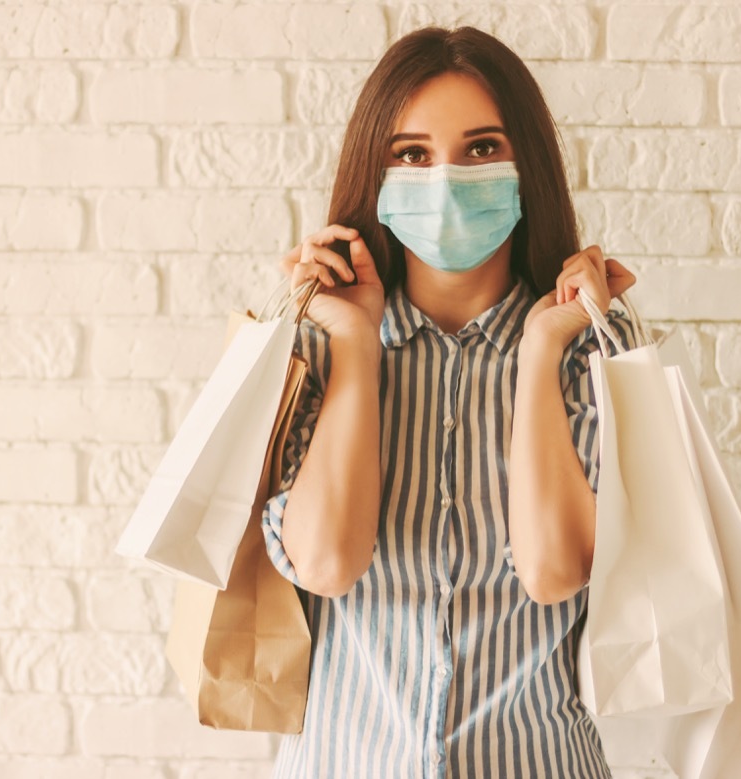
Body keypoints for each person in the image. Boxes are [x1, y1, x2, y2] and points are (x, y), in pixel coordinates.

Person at [262, 25, 639, 778]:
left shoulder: (592, 341)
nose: (444, 180)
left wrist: (539, 351)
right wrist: (357, 344)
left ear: (525, 164)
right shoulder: (313, 344)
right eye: (410, 154)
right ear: (377, 174)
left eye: (480, 149)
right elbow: (328, 562)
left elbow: (554, 569)